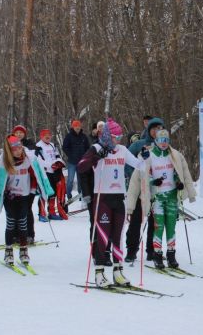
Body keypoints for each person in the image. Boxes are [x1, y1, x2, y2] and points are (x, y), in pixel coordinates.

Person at [79, 119, 148, 286]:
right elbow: (81, 167)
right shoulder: (96, 148)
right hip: (102, 197)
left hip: (119, 197)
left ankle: (118, 271)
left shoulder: (122, 150)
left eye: (120, 136)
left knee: (117, 236)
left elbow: (139, 166)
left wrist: (145, 157)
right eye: (115, 136)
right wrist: (96, 157)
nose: (118, 139)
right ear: (107, 136)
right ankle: (99, 272)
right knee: (102, 236)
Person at [126, 128, 196, 270]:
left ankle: (171, 255)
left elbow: (180, 172)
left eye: (166, 140)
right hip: (157, 197)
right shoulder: (148, 155)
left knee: (171, 226)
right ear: (156, 141)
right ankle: (157, 255)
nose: (163, 143)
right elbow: (141, 177)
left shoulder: (175, 154)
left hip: (171, 196)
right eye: (160, 140)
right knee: (158, 226)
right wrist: (152, 182)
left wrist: (179, 182)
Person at [0, 135, 53, 266]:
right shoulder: (2, 162)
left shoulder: (29, 159)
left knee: (23, 222)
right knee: (11, 222)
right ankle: (8, 251)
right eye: (15, 149)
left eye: (20, 148)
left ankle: (23, 250)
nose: (19, 151)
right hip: (10, 197)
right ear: (9, 151)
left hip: (25, 196)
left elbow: (39, 174)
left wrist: (37, 191)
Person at [124, 117, 162, 263]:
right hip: (141, 188)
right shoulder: (140, 144)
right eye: (154, 129)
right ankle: (131, 250)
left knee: (155, 222)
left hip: (156, 190)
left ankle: (151, 250)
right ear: (149, 130)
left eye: (159, 129)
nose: (156, 132)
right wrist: (132, 174)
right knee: (135, 221)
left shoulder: (164, 147)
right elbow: (127, 160)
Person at [35, 128, 66, 221]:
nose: (48, 137)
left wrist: (58, 162)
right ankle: (42, 214)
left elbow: (57, 155)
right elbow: (38, 160)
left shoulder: (52, 145)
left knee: (54, 193)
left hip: (54, 172)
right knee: (44, 193)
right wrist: (50, 165)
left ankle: (52, 212)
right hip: (45, 173)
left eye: (49, 135)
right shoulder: (38, 146)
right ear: (41, 136)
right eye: (45, 135)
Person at [62, 119, 90, 201]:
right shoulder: (69, 136)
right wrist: (70, 155)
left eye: (79, 126)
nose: (77, 128)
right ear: (73, 127)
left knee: (80, 180)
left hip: (81, 162)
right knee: (70, 180)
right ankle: (69, 194)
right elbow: (64, 147)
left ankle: (80, 194)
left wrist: (85, 157)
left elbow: (88, 148)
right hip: (72, 162)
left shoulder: (84, 136)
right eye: (76, 126)